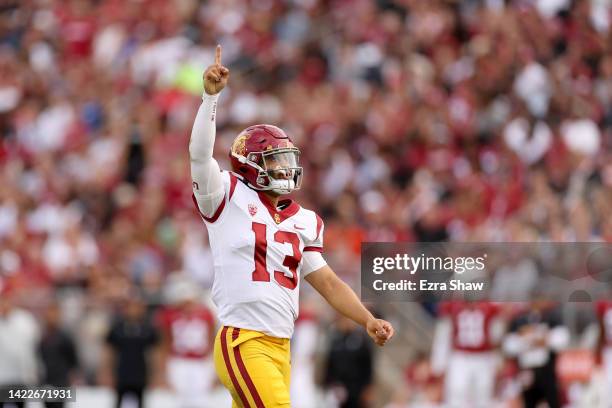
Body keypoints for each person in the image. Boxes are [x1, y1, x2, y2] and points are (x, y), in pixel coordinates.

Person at [189, 45, 394, 407]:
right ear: (249, 164)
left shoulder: (305, 220)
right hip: (244, 340)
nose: (283, 168)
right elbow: (199, 155)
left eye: (285, 160)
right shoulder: (226, 195)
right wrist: (210, 98)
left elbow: (328, 281)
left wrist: (367, 319)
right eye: (273, 160)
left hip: (282, 347)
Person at [156, 278, 216, 408]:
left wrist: (212, 364)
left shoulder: (206, 314)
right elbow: (165, 343)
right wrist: (162, 370)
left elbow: (211, 340)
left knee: (202, 399)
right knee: (179, 400)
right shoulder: (169, 315)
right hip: (179, 360)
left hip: (201, 361)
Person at [104, 293, 159, 408]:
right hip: (122, 373)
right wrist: (107, 372)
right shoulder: (117, 328)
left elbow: (154, 353)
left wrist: (155, 374)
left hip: (140, 373)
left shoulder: (148, 329)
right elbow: (110, 352)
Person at [323, 316, 374, 408]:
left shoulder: (361, 341)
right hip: (338, 389)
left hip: (356, 388)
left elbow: (367, 367)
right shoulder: (336, 341)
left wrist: (367, 388)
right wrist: (329, 384)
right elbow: (329, 365)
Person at [38, 301, 79, 408]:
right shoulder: (42, 336)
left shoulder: (65, 337)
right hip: (45, 380)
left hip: (61, 381)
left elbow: (73, 359)